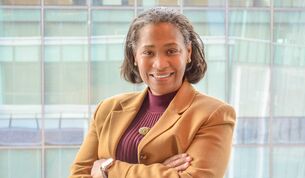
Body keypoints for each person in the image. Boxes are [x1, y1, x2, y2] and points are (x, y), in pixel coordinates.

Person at [69, 7, 236, 178]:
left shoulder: (214, 114)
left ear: (188, 52)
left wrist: (108, 170)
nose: (160, 64)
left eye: (171, 51)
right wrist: (162, 172)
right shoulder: (107, 109)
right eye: (148, 52)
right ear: (135, 56)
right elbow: (78, 175)